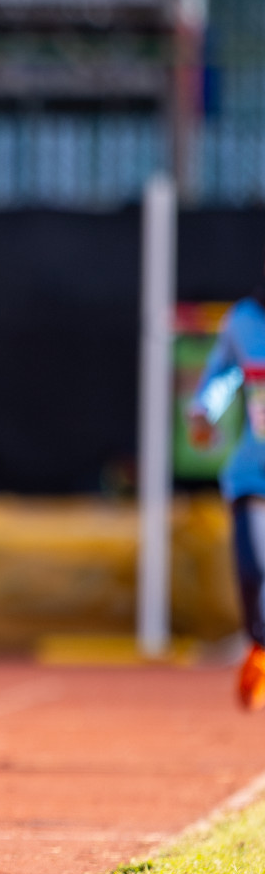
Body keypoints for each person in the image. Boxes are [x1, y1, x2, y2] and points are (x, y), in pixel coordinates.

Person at [189, 268, 265, 709]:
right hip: (254, 475)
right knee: (254, 570)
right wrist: (204, 410)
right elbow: (221, 375)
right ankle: (259, 648)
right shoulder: (244, 321)